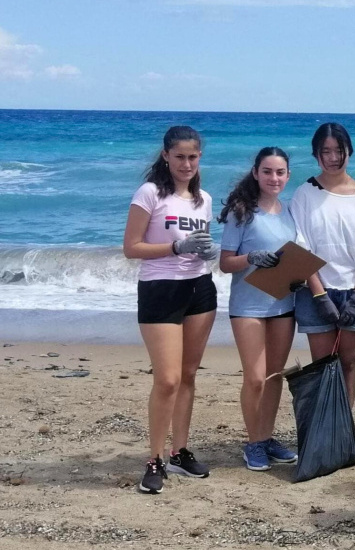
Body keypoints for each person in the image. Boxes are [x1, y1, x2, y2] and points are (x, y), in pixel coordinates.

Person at [122, 126, 220, 494]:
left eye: (193, 157)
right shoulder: (149, 193)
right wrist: (175, 248)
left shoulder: (204, 200)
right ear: (165, 155)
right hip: (160, 289)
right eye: (179, 156)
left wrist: (206, 251)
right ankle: (155, 458)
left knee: (188, 375)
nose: (186, 164)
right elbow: (132, 247)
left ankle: (179, 452)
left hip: (200, 289)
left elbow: (201, 243)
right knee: (167, 380)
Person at [290, 123, 355, 407]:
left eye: (339, 150)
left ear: (349, 151)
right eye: (326, 151)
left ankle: (344, 432)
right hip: (317, 294)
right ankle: (321, 432)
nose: (333, 157)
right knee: (323, 367)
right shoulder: (304, 194)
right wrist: (319, 294)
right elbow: (301, 248)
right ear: (316, 154)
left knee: (348, 364)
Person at [217, 146, 300, 471]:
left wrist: (298, 276)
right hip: (247, 306)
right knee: (254, 378)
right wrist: (250, 258)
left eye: (280, 172)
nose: (274, 178)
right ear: (256, 173)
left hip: (283, 303)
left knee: (274, 376)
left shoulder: (290, 211)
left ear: (287, 176)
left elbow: (295, 255)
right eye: (267, 171)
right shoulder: (242, 212)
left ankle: (265, 437)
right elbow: (225, 263)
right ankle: (252, 442)